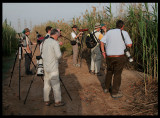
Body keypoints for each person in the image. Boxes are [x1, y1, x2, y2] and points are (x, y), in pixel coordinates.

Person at [100, 20, 132, 98]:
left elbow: (101, 42)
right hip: (119, 57)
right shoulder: (124, 33)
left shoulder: (109, 32)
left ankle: (106, 88)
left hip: (109, 57)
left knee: (109, 71)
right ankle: (114, 92)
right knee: (117, 74)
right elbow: (129, 44)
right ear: (122, 26)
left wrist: (103, 52)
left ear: (116, 25)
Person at [40, 29, 65, 107]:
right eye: (58, 35)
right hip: (53, 67)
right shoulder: (55, 43)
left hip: (46, 66)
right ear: (56, 35)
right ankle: (57, 101)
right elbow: (58, 55)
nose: (58, 37)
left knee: (46, 84)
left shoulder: (44, 42)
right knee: (55, 84)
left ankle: (46, 100)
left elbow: (42, 54)